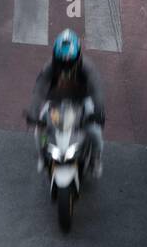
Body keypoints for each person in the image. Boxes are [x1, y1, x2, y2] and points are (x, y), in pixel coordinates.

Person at [29, 30, 105, 177]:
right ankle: (42, 155)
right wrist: (33, 113)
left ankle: (96, 158)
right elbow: (39, 90)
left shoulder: (88, 68)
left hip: (82, 101)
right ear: (55, 58)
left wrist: (98, 112)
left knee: (94, 131)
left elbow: (97, 91)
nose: (65, 66)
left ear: (78, 58)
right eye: (61, 62)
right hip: (55, 101)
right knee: (40, 131)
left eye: (69, 63)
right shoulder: (49, 67)